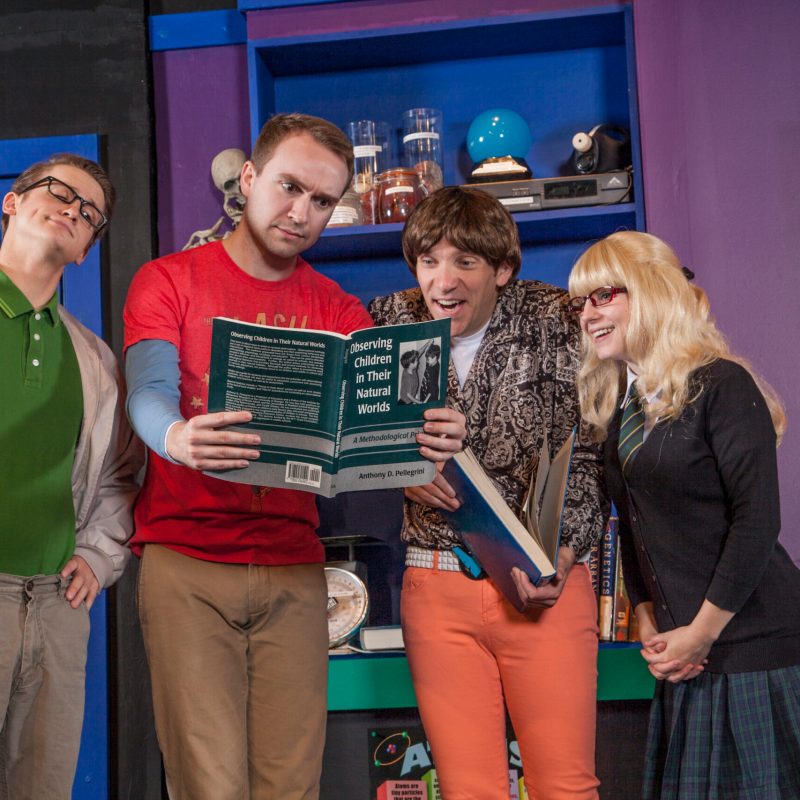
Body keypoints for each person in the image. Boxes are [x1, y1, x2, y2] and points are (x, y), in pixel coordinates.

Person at [123, 113, 465, 800]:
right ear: (248, 180)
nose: (301, 212)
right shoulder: (169, 279)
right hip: (187, 563)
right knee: (208, 785)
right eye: (289, 187)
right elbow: (149, 391)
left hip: (295, 568)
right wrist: (176, 438)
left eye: (322, 201)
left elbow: (381, 433)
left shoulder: (337, 307)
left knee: (291, 785)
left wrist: (425, 442)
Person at [369, 186, 607, 800]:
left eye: (464, 262)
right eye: (428, 262)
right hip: (435, 584)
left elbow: (590, 453)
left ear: (502, 269)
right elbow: (347, 432)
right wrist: (397, 464)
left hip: (543, 584)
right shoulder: (385, 321)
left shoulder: (559, 319)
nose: (442, 281)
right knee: (468, 790)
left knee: (565, 787)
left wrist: (565, 555)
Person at [568, 230, 800, 800]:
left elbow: (756, 522)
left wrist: (699, 634)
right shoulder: (623, 406)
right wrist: (647, 614)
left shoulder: (722, 383)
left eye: (604, 295)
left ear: (649, 291)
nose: (588, 314)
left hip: (753, 650)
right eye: (581, 302)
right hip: (687, 657)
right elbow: (634, 525)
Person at [0, 154, 142, 799]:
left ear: (85, 251)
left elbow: (118, 476)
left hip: (57, 609)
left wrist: (98, 551)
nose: (73, 210)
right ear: (12, 201)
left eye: (90, 215)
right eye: (58, 192)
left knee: (42, 787)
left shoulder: (94, 359)